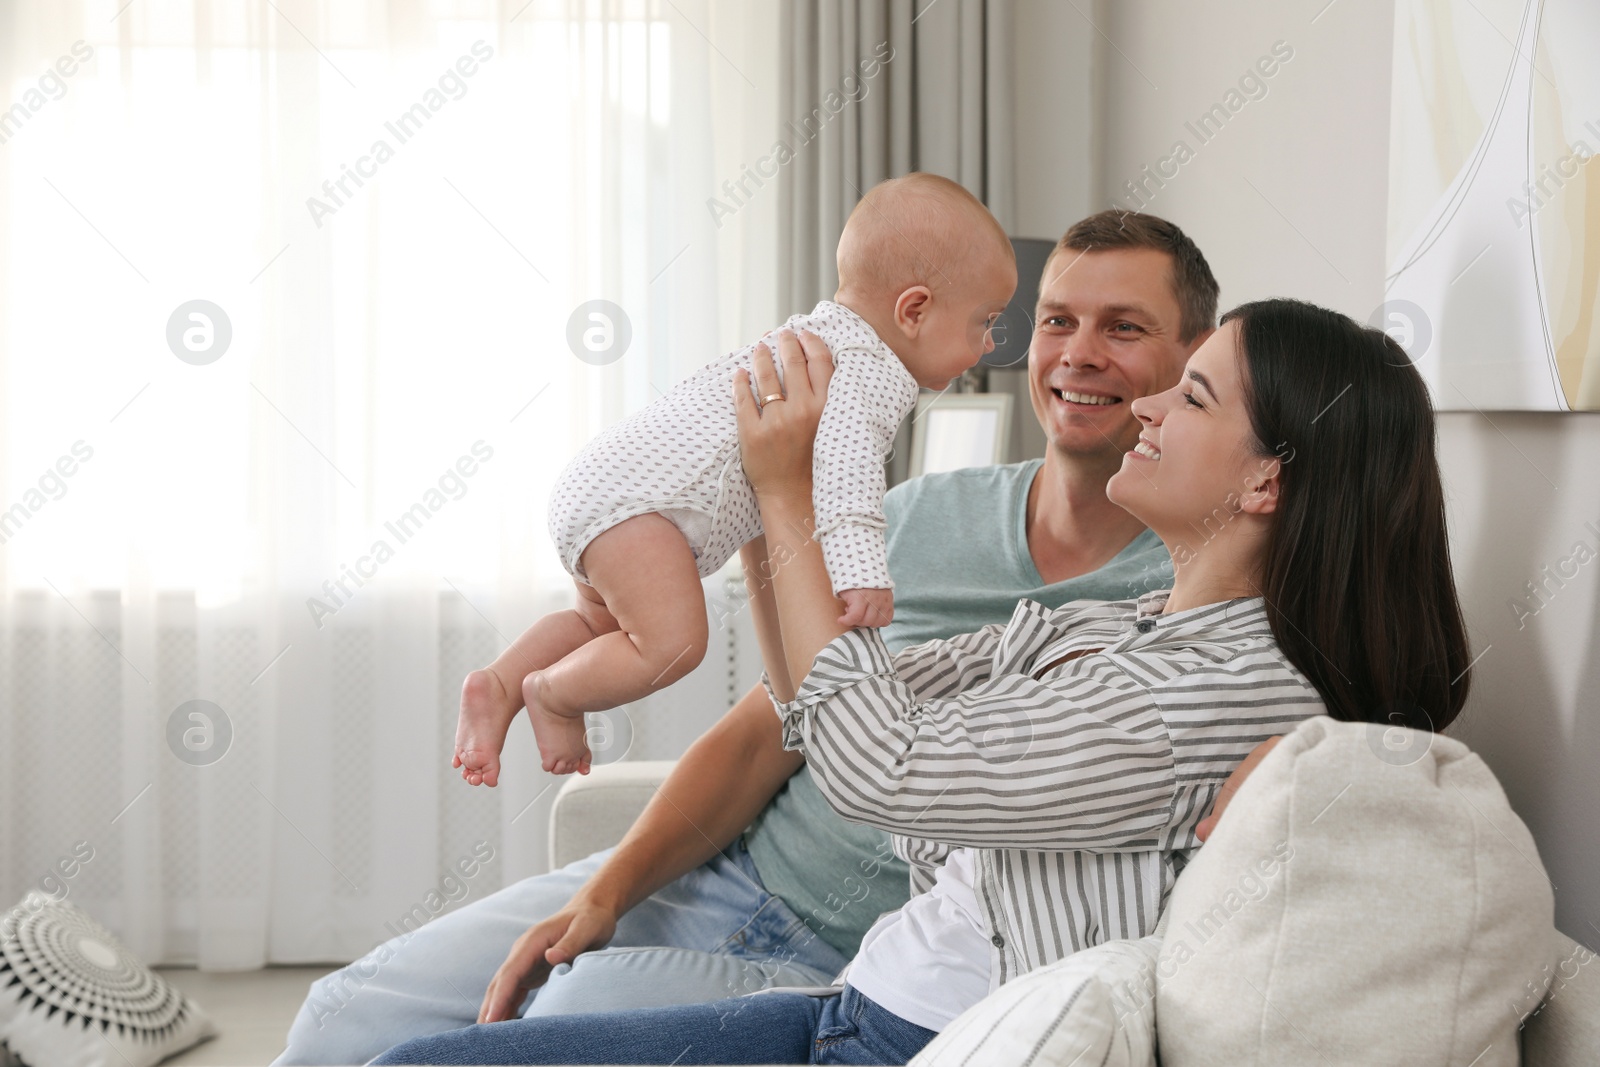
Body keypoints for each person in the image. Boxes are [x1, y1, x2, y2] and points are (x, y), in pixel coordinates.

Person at [370, 297, 1474, 1065]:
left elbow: (879, 766)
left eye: (1187, 395)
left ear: (1266, 480)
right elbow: (839, 704)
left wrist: (793, 489)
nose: (1142, 407)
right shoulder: (1128, 624)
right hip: (857, 1007)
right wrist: (769, 510)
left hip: (904, 1038)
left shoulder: (1210, 695)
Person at [274, 210, 1210, 1067]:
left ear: (1196, 356)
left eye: (1123, 327)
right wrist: (607, 893)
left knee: (564, 1011)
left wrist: (778, 486)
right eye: (1056, 321)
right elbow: (768, 728)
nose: (1078, 354)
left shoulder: (1191, 600)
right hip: (728, 871)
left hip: (855, 958)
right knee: (344, 1013)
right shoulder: (919, 513)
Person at [455, 173, 1017, 780]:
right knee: (672, 646)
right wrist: (861, 575)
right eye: (983, 322)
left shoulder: (812, 337)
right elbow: (847, 478)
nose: (986, 345)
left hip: (604, 487)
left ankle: (500, 683)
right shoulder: (869, 371)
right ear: (915, 310)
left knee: (600, 625)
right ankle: (554, 695)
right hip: (642, 510)